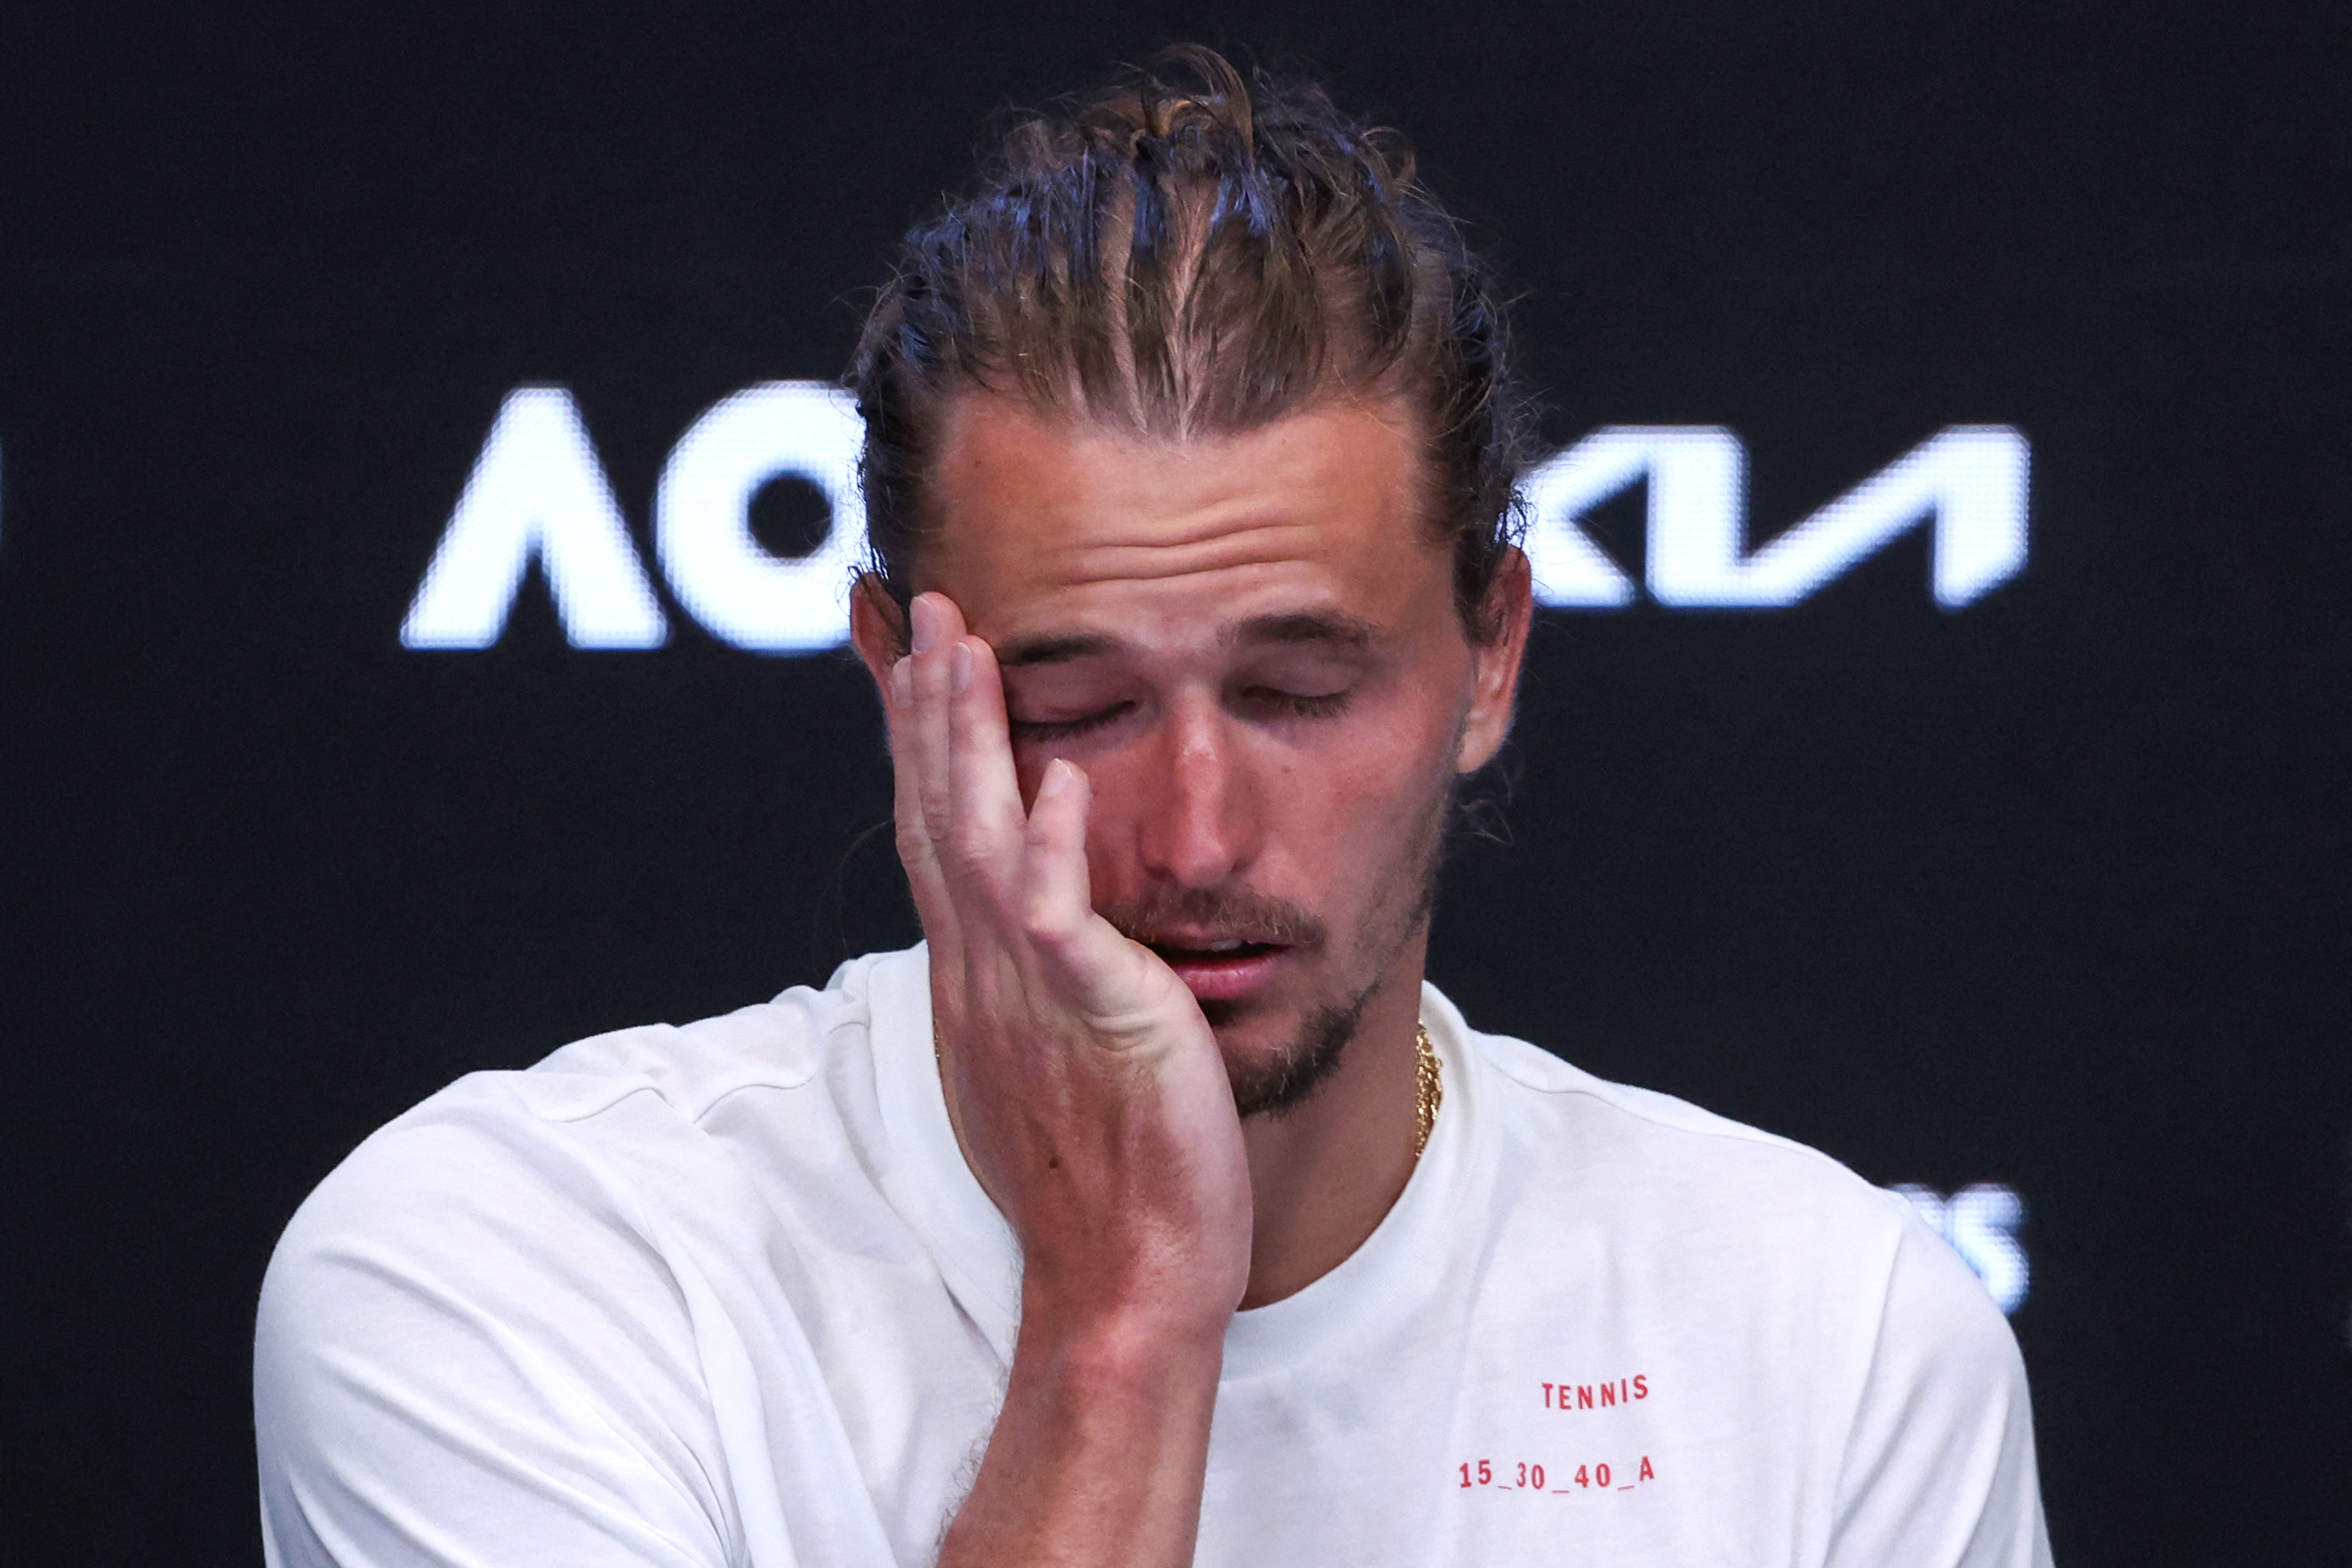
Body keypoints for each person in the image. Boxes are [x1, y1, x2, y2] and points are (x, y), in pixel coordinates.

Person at [255, 48, 2052, 1567]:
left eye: (1296, 690)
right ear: (899, 678)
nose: (1193, 838)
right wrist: (1122, 1324)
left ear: (1490, 652)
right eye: (1075, 705)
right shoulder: (518, 1273)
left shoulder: (1832, 1340)